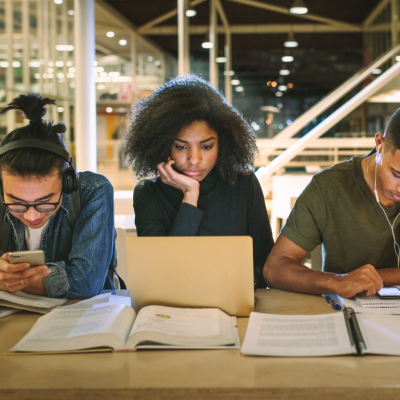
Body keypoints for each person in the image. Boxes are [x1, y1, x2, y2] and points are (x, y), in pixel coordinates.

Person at [122, 75, 274, 289]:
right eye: (182, 147)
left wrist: (238, 283)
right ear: (163, 145)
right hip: (174, 309)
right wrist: (190, 195)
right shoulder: (148, 194)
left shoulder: (244, 185)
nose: (194, 159)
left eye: (206, 146)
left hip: (234, 304)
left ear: (223, 144)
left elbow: (266, 265)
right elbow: (163, 272)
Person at [263, 109, 400, 298]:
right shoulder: (329, 187)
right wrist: (338, 281)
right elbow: (274, 268)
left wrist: (375, 278)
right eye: (396, 174)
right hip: (344, 312)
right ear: (379, 145)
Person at [0, 93, 116, 298]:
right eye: (17, 203)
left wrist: (11, 280)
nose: (32, 217)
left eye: (45, 202)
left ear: (68, 181)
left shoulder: (93, 191)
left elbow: (86, 283)